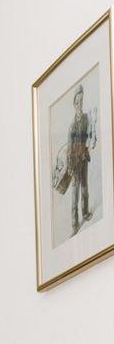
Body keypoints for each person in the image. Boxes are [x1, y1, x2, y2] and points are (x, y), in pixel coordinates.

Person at [65, 87, 98, 236]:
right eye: (77, 101)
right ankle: (74, 224)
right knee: (75, 193)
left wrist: (92, 140)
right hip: (74, 162)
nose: (80, 104)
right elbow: (69, 149)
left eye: (81, 100)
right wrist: (70, 167)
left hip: (84, 158)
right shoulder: (72, 126)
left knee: (85, 187)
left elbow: (90, 134)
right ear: (74, 104)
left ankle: (85, 213)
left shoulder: (86, 118)